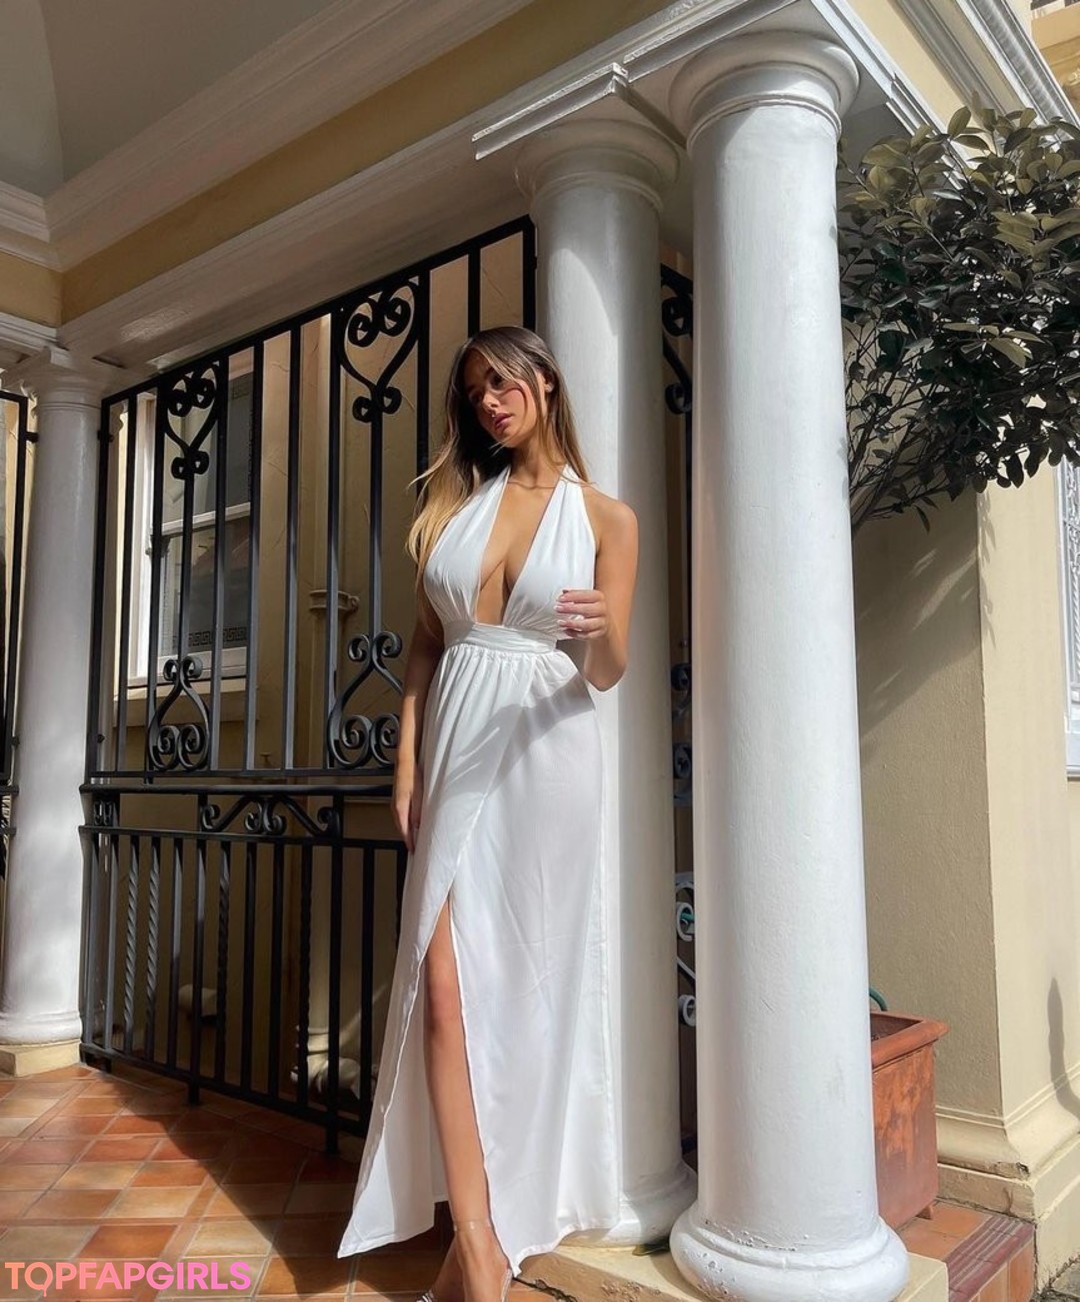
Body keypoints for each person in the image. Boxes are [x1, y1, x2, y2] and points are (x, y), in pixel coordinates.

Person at [337, 325, 639, 1302]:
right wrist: (406, 761)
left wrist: (602, 631)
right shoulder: (455, 510)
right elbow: (426, 644)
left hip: (549, 754)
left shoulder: (608, 518)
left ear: (544, 382)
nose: (489, 404)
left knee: (528, 991)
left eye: (501, 384)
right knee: (441, 989)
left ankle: (491, 1231)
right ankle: (475, 1242)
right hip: (456, 742)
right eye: (474, 393)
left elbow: (609, 670)